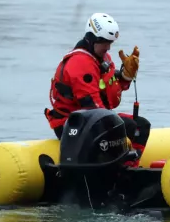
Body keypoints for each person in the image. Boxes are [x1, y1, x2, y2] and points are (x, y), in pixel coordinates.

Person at [44, 13, 151, 161]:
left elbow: (110, 91)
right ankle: (119, 164)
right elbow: (91, 105)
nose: (108, 47)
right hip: (71, 124)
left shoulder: (101, 58)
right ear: (92, 39)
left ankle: (129, 166)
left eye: (110, 43)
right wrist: (119, 132)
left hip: (92, 119)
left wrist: (125, 77)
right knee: (128, 126)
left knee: (141, 125)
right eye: (105, 43)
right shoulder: (80, 63)